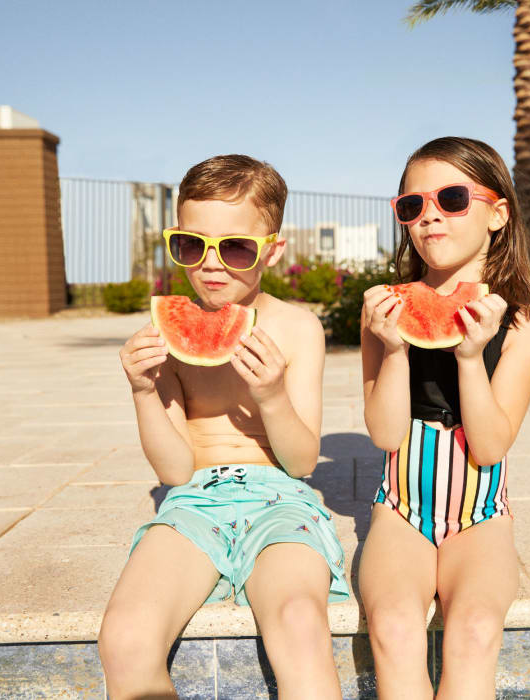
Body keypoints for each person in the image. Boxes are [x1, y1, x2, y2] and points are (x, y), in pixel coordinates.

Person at [98, 154, 347, 699]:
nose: (211, 264)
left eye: (234, 247)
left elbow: (303, 462)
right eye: (191, 245)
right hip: (193, 500)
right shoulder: (162, 336)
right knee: (124, 635)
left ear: (273, 250)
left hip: (281, 499)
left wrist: (273, 396)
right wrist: (143, 391)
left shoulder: (300, 329)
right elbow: (173, 468)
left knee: (301, 621)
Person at [358, 136, 530, 698]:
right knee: (394, 626)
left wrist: (471, 358)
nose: (430, 217)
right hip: (401, 509)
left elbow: (491, 447)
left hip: (482, 512)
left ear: (498, 213)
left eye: (450, 198)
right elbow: (385, 433)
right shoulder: (384, 308)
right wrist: (394, 348)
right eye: (412, 205)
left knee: (473, 630)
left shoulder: (523, 319)